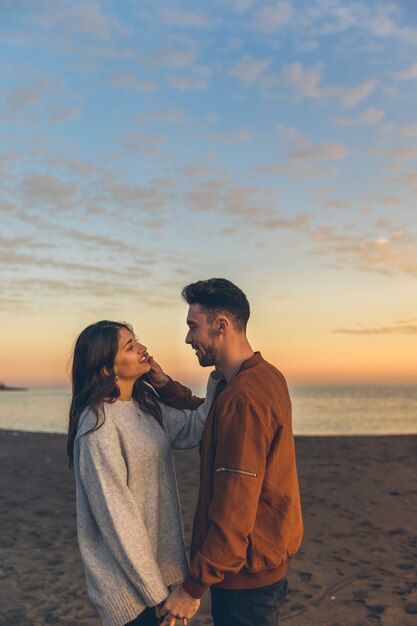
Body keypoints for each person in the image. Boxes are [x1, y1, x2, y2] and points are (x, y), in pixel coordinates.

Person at [157, 279, 303, 626]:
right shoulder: (263, 376)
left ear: (220, 326)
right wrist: (166, 387)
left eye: (194, 327)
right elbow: (211, 413)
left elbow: (234, 506)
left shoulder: (243, 398)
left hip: (244, 580)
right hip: (264, 565)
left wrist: (192, 588)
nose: (189, 338)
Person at [67, 320, 219, 626]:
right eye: (129, 346)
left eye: (137, 341)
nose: (142, 349)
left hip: (162, 579)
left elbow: (194, 429)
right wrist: (157, 596)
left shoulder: (144, 405)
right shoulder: (97, 426)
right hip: (131, 591)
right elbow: (117, 520)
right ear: (108, 368)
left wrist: (219, 377)